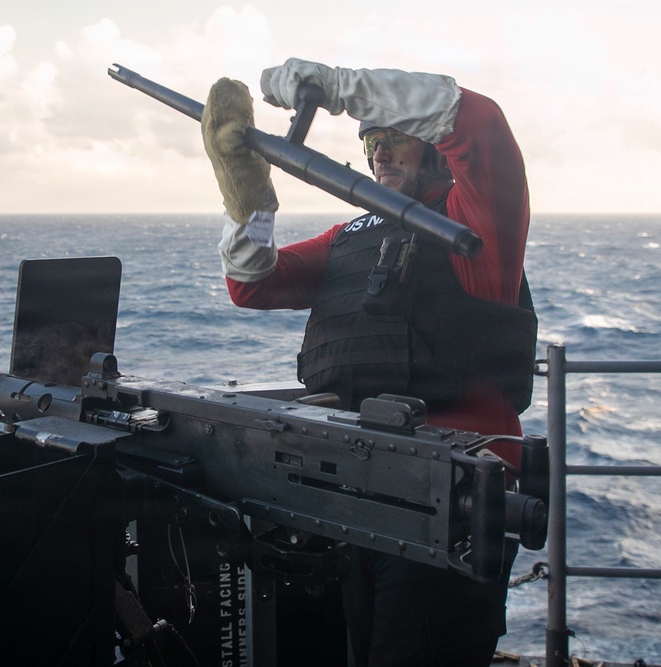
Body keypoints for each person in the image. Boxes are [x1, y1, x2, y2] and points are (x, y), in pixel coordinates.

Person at [200, 59, 537, 667]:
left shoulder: (476, 225)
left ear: (434, 150)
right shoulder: (350, 236)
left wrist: (339, 89)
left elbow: (480, 125)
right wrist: (246, 193)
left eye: (394, 139)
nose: (379, 152)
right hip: (359, 490)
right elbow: (252, 283)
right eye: (371, 141)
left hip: (450, 496)